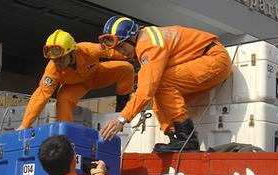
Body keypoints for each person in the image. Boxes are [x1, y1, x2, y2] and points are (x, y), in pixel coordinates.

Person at [99, 16, 232, 152]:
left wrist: (121, 119)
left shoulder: (149, 45)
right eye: (117, 49)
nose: (122, 52)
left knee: (160, 83)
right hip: (208, 59)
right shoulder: (145, 38)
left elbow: (146, 90)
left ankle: (186, 140)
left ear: (132, 38)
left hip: (214, 60)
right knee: (159, 90)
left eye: (121, 46)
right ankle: (176, 137)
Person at [17, 29, 135, 130]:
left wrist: (139, 56)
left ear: (71, 52)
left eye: (60, 59)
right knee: (63, 100)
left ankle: (121, 110)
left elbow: (115, 52)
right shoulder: (52, 70)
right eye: (54, 60)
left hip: (96, 75)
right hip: (74, 86)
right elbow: (41, 95)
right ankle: (68, 139)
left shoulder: (87, 49)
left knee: (127, 68)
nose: (57, 62)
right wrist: (24, 125)